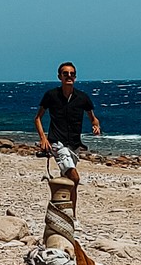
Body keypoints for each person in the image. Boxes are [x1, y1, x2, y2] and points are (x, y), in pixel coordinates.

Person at [34, 63, 99, 199]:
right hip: (57, 143)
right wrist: (43, 138)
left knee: (69, 182)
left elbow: (93, 118)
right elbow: (38, 118)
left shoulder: (83, 98)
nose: (69, 76)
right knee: (74, 177)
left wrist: (96, 126)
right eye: (65, 74)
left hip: (75, 145)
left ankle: (69, 214)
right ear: (59, 77)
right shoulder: (51, 95)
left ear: (75, 77)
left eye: (72, 74)